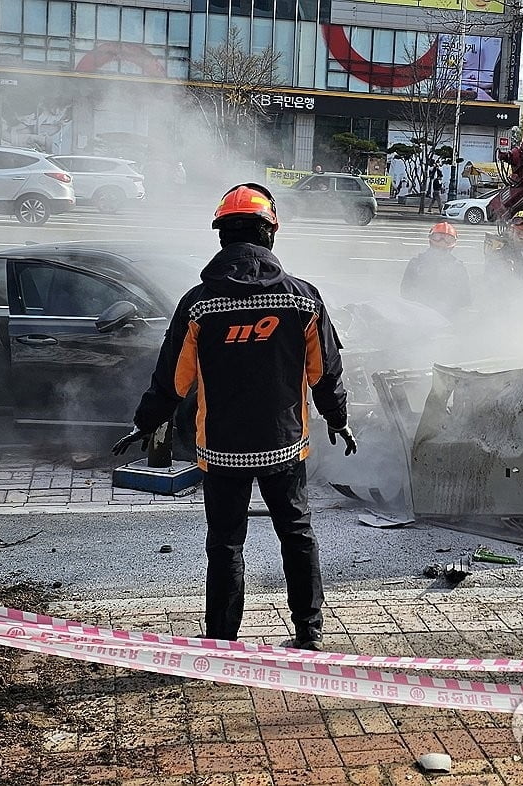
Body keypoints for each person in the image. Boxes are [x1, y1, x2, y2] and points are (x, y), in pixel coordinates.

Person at [112, 183, 355, 651]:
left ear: (222, 237)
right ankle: (309, 631)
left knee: (225, 544)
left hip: (220, 449)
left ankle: (222, 639)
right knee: (297, 533)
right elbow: (324, 372)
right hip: (284, 446)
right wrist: (337, 418)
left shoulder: (198, 303)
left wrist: (146, 422)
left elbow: (172, 379)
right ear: (270, 236)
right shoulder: (303, 300)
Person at [401, 222, 472, 316]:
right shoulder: (417, 263)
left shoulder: (458, 267)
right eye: (438, 237)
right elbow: (405, 292)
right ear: (431, 239)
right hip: (419, 315)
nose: (442, 241)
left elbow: (465, 297)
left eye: (447, 239)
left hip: (445, 317)